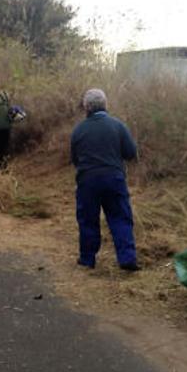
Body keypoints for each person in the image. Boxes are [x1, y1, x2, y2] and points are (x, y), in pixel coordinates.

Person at [70, 88, 139, 271]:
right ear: (105, 104)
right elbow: (131, 153)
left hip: (87, 181)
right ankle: (127, 258)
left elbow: (75, 159)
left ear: (86, 107)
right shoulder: (118, 126)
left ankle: (87, 259)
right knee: (120, 218)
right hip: (114, 179)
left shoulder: (78, 130)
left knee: (87, 219)